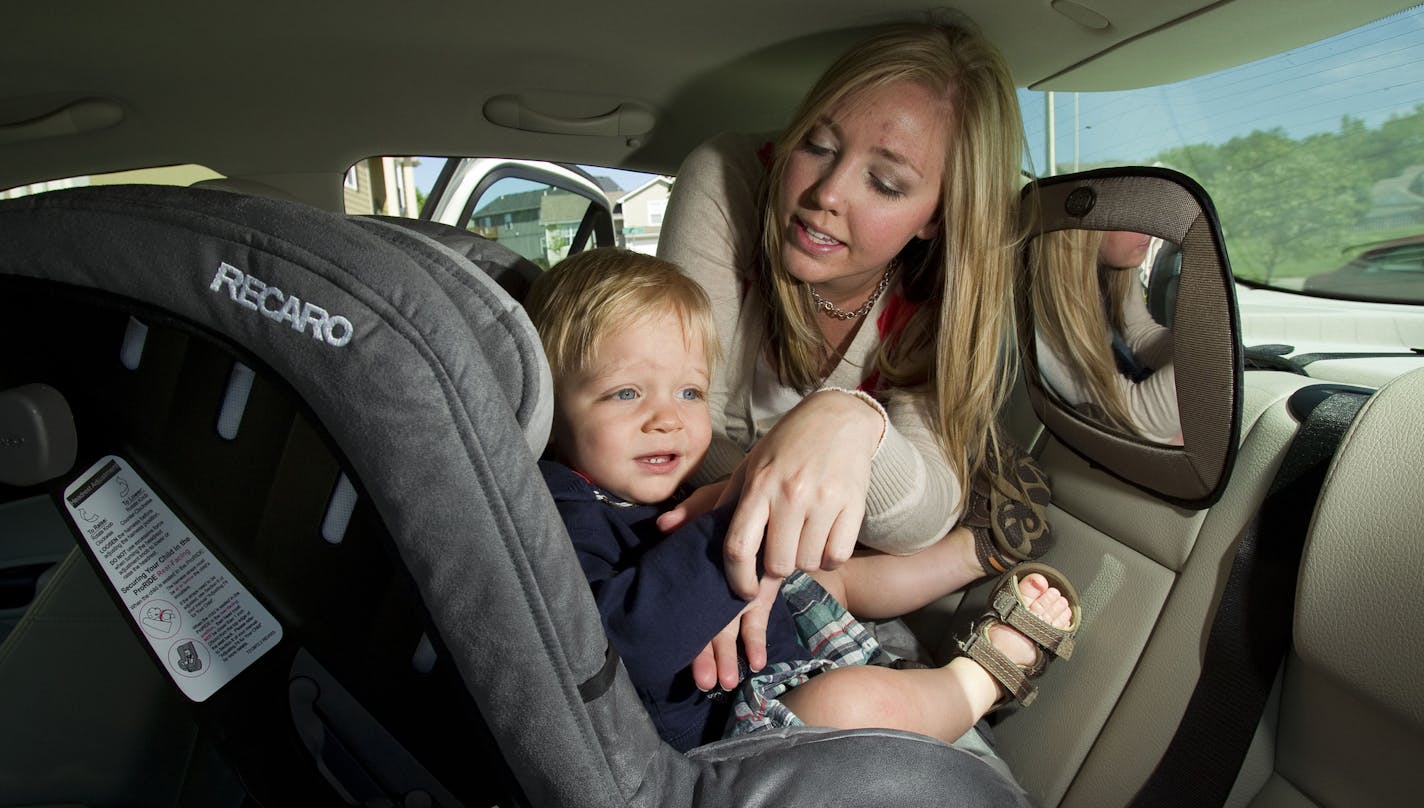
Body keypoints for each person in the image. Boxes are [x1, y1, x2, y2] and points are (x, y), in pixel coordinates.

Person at [526, 247, 1079, 753]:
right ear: (552, 409)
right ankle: (985, 677)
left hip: (777, 638)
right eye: (627, 393)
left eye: (690, 392)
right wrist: (734, 525)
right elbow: (626, 644)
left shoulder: (658, 478)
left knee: (826, 572)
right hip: (735, 724)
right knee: (854, 705)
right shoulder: (557, 510)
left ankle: (980, 549)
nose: (668, 419)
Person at [655, 20, 1051, 690]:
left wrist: (847, 421)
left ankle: (977, 570)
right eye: (816, 145)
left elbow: (922, 514)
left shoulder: (934, 297)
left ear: (936, 216)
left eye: (887, 184)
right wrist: (782, 478)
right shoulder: (729, 179)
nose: (826, 194)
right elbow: (674, 427)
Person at [1031, 229, 1182, 444]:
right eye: (1131, 206)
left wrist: (1192, 355)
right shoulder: (1040, 308)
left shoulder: (1117, 266)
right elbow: (1135, 416)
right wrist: (1202, 366)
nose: (1150, 225)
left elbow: (1140, 331)